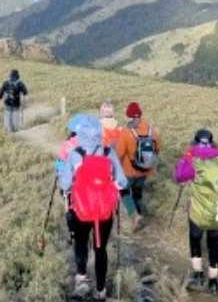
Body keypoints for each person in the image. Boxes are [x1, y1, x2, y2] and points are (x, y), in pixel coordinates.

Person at [59, 114, 127, 301]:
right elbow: (122, 181)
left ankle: (81, 278)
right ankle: (101, 290)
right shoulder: (108, 153)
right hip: (104, 212)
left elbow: (65, 185)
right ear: (99, 133)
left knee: (80, 244)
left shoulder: (75, 154)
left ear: (81, 134)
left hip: (80, 210)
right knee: (100, 249)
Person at [174, 129, 218, 295]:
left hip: (200, 212)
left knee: (195, 240)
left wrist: (187, 156)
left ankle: (198, 276)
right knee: (214, 244)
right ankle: (214, 283)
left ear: (195, 142)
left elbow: (180, 176)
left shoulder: (194, 159)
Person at [115, 101, 162, 232]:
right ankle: (139, 214)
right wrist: (148, 161)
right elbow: (158, 148)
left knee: (124, 191)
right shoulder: (151, 130)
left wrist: (115, 167)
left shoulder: (126, 132)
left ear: (129, 116)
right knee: (137, 192)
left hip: (129, 170)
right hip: (145, 169)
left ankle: (134, 215)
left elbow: (119, 153)